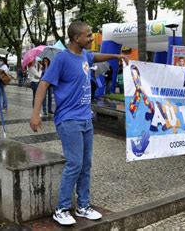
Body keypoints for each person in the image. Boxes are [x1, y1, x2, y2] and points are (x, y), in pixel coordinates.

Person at [30, 21, 128, 226]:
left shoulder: (84, 55)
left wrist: (116, 56)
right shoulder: (62, 59)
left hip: (85, 119)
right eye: (89, 35)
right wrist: (35, 114)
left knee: (86, 164)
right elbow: (44, 84)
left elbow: (96, 56)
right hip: (69, 120)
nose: (92, 38)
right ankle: (62, 209)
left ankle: (83, 206)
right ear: (76, 38)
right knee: (74, 164)